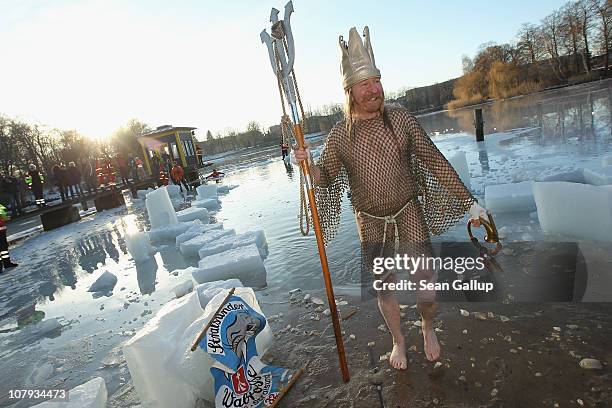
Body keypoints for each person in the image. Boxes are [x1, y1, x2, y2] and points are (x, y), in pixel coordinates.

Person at [293, 26, 490, 370]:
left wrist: (471, 204)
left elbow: (436, 163)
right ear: (350, 92)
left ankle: (428, 327)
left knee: (425, 285)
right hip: (369, 220)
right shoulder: (340, 135)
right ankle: (399, 341)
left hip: (407, 211)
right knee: (384, 289)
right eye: (364, 85)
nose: (373, 90)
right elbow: (326, 178)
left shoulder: (401, 120)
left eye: (376, 81)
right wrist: (308, 166)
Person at [0, 203, 18, 272]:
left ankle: (5, 263)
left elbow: (4, 214)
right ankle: (6, 263)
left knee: (4, 247)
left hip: (1, 229)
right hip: (1, 230)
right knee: (3, 247)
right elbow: (4, 214)